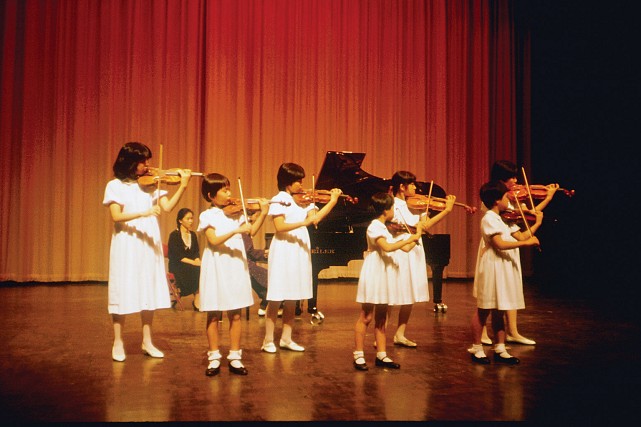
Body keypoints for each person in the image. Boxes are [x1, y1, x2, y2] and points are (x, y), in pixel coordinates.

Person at [103, 142, 191, 362]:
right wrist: (145, 212)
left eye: (147, 161)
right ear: (130, 162)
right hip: (127, 241)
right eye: (143, 161)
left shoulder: (153, 184)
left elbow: (168, 207)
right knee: (122, 289)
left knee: (148, 289)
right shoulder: (115, 186)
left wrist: (183, 185)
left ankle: (147, 341)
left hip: (148, 240)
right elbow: (116, 216)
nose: (147, 166)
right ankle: (118, 341)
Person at [261, 162, 342, 354]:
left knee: (293, 297)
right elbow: (280, 227)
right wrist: (303, 222)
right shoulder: (279, 199)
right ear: (287, 183)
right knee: (276, 297)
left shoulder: (304, 201)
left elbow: (315, 219)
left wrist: (332, 201)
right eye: (297, 181)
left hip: (299, 249)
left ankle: (287, 339)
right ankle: (267, 340)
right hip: (283, 249)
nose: (301, 185)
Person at [480, 160, 559, 346]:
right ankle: (482, 332)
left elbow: (525, 215)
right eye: (511, 177)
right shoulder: (494, 199)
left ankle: (513, 332)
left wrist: (547, 198)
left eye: (516, 176)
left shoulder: (511, 200)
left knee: (509, 290)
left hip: (512, 243)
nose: (516, 181)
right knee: (490, 294)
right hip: (497, 246)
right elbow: (515, 216)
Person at [198, 173, 269, 376]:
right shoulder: (208, 215)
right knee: (213, 314)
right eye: (224, 189)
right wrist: (236, 231)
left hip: (235, 265)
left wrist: (262, 213)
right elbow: (213, 240)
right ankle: (213, 358)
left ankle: (235, 357)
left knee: (236, 314)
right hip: (217, 265)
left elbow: (252, 231)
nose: (229, 193)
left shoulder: (237, 213)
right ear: (212, 195)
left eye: (229, 188)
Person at [468, 181, 542, 365]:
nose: (509, 199)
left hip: (504, 266)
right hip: (493, 265)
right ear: (496, 200)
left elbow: (523, 236)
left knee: (500, 309)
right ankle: (477, 348)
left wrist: (537, 224)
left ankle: (500, 348)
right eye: (505, 197)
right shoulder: (489, 219)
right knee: (484, 308)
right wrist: (526, 244)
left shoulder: (505, 218)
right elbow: (499, 244)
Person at [353, 192, 423, 371]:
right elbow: (387, 247)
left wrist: (418, 235)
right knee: (366, 316)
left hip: (384, 272)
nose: (394, 210)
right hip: (375, 271)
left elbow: (406, 248)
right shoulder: (374, 227)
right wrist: (410, 238)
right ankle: (359, 355)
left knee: (382, 317)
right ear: (385, 210)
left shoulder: (384, 227)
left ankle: (382, 355)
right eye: (392, 207)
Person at [388, 171, 455, 347]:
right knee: (391, 295)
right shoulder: (391, 205)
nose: (415, 188)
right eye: (411, 184)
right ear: (402, 187)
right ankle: (380, 335)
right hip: (399, 248)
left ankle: (400, 334)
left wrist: (446, 209)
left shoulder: (417, 205)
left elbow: (425, 225)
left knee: (408, 295)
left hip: (415, 249)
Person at [167, 208, 201, 311]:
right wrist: (194, 263)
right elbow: (177, 256)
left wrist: (197, 260)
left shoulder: (193, 235)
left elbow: (196, 252)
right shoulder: (174, 235)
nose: (191, 221)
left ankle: (197, 300)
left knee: (202, 269)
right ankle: (197, 300)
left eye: (192, 218)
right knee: (196, 269)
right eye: (188, 218)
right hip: (177, 265)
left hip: (190, 265)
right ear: (180, 220)